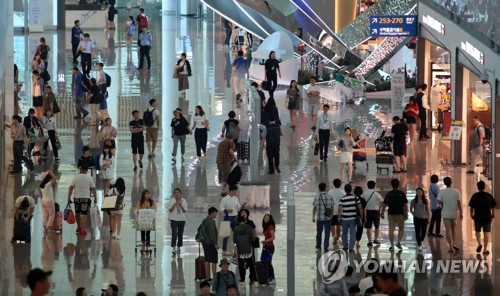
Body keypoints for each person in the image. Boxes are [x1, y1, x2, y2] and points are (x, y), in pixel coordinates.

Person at [68, 166, 97, 236]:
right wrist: (96, 197)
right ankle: (83, 230)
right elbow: (93, 188)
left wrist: (68, 197)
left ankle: (78, 227)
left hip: (77, 198)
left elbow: (71, 188)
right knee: (84, 214)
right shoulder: (89, 178)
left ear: (80, 169)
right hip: (86, 199)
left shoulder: (75, 177)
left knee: (77, 213)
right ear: (87, 170)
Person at [469, 180, 496, 255]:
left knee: (477, 231)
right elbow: (493, 206)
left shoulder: (475, 195)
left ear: (478, 187)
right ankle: (484, 250)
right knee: (486, 233)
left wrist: (471, 215)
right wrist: (493, 213)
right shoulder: (488, 195)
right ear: (484, 187)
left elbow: (471, 207)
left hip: (477, 217)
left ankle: (479, 244)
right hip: (487, 217)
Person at [380, 179, 408, 251]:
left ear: (391, 185)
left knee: (391, 230)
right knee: (401, 228)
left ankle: (392, 245)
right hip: (400, 213)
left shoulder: (389, 194)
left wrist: (382, 212)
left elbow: (384, 204)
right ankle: (398, 242)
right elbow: (405, 205)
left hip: (391, 214)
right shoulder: (402, 193)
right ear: (398, 185)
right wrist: (406, 213)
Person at [437, 177, 463, 253]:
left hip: (445, 213)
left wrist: (443, 203)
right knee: (453, 229)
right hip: (454, 213)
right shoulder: (456, 191)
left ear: (444, 183)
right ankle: (454, 244)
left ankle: (451, 247)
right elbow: (459, 204)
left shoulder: (442, 192)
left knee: (448, 230)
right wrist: (461, 213)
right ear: (451, 182)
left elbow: (438, 202)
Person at [220, 185, 246, 255]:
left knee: (237, 233)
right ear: (231, 191)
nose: (236, 192)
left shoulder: (235, 198)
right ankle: (224, 250)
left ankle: (238, 249)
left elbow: (238, 208)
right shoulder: (225, 199)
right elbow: (221, 208)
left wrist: (242, 206)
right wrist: (227, 210)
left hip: (235, 217)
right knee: (226, 235)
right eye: (235, 191)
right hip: (227, 218)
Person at [338, 184, 363, 252]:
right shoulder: (355, 198)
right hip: (353, 218)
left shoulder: (342, 198)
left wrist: (339, 217)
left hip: (345, 218)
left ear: (345, 190)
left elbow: (340, 209)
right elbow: (360, 208)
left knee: (344, 233)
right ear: (351, 190)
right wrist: (361, 216)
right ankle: (351, 247)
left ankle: (345, 246)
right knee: (353, 233)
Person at [233, 216, 257, 285]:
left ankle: (242, 280)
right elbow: (253, 238)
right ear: (245, 220)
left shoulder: (236, 228)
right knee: (251, 264)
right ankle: (255, 279)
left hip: (240, 250)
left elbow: (234, 240)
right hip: (248, 249)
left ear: (238, 221)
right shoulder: (249, 227)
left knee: (241, 265)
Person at [313, 182, 334, 252]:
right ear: (325, 188)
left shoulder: (317, 196)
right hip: (328, 218)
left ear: (319, 189)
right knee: (327, 233)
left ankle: (318, 246)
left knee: (319, 232)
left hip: (319, 218)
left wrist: (313, 216)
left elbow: (315, 207)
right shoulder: (330, 196)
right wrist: (331, 214)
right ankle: (326, 247)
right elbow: (332, 206)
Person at [361, 180, 384, 246]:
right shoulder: (376, 194)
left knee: (368, 227)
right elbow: (382, 201)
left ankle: (370, 241)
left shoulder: (364, 193)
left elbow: (361, 201)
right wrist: (379, 208)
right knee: (377, 226)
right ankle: (376, 240)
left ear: (367, 186)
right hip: (376, 211)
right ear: (374, 186)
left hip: (367, 211)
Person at [201, 207, 219, 281]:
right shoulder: (210, 221)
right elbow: (212, 234)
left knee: (207, 260)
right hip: (210, 243)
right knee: (214, 260)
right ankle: (214, 276)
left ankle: (207, 277)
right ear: (212, 213)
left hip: (205, 242)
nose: (216, 215)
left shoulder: (205, 220)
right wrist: (215, 243)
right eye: (216, 213)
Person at [410, 187, 430, 252]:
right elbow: (411, 209)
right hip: (417, 218)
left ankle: (420, 240)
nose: (419, 193)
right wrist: (413, 214)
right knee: (417, 232)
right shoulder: (414, 200)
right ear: (416, 193)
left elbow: (427, 210)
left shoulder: (425, 200)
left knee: (424, 232)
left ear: (422, 193)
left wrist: (428, 217)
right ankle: (419, 245)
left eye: (420, 191)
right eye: (418, 191)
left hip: (424, 218)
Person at [169, 188, 187, 255]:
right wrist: (175, 204)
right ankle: (174, 248)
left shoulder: (184, 200)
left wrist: (180, 204)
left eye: (178, 192)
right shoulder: (171, 201)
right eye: (175, 192)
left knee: (180, 233)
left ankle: (179, 246)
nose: (177, 193)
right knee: (174, 233)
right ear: (174, 194)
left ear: (180, 194)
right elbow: (170, 210)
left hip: (182, 220)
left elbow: (184, 211)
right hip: (173, 219)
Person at [39, 170, 57, 235]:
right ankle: (49, 228)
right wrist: (51, 173)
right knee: (52, 214)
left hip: (43, 201)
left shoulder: (41, 185)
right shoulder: (48, 184)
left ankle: (44, 229)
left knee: (45, 215)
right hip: (49, 201)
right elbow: (55, 178)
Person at [328, 178, 345, 243]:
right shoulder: (342, 192)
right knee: (339, 225)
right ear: (340, 184)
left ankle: (333, 236)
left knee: (332, 224)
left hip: (332, 211)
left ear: (333, 184)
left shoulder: (330, 191)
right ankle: (338, 237)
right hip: (340, 211)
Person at [262, 213, 276, 284]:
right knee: (265, 262)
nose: (266, 219)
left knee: (268, 262)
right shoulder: (266, 226)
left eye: (267, 218)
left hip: (270, 247)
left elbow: (273, 237)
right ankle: (268, 276)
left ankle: (272, 278)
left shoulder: (270, 226)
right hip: (266, 246)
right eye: (265, 218)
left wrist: (267, 241)